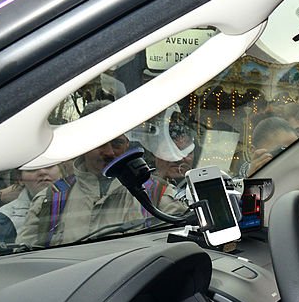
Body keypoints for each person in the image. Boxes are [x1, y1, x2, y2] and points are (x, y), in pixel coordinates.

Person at [18, 103, 188, 247]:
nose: (109, 152)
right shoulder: (50, 200)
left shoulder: (158, 194)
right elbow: (23, 263)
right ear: (83, 145)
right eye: (100, 143)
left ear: (127, 145)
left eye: (117, 143)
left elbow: (182, 251)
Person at [0, 164, 64, 234]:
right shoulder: (5, 215)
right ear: (20, 179)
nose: (42, 172)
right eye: (32, 169)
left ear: (61, 172)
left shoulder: (74, 204)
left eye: (49, 166)